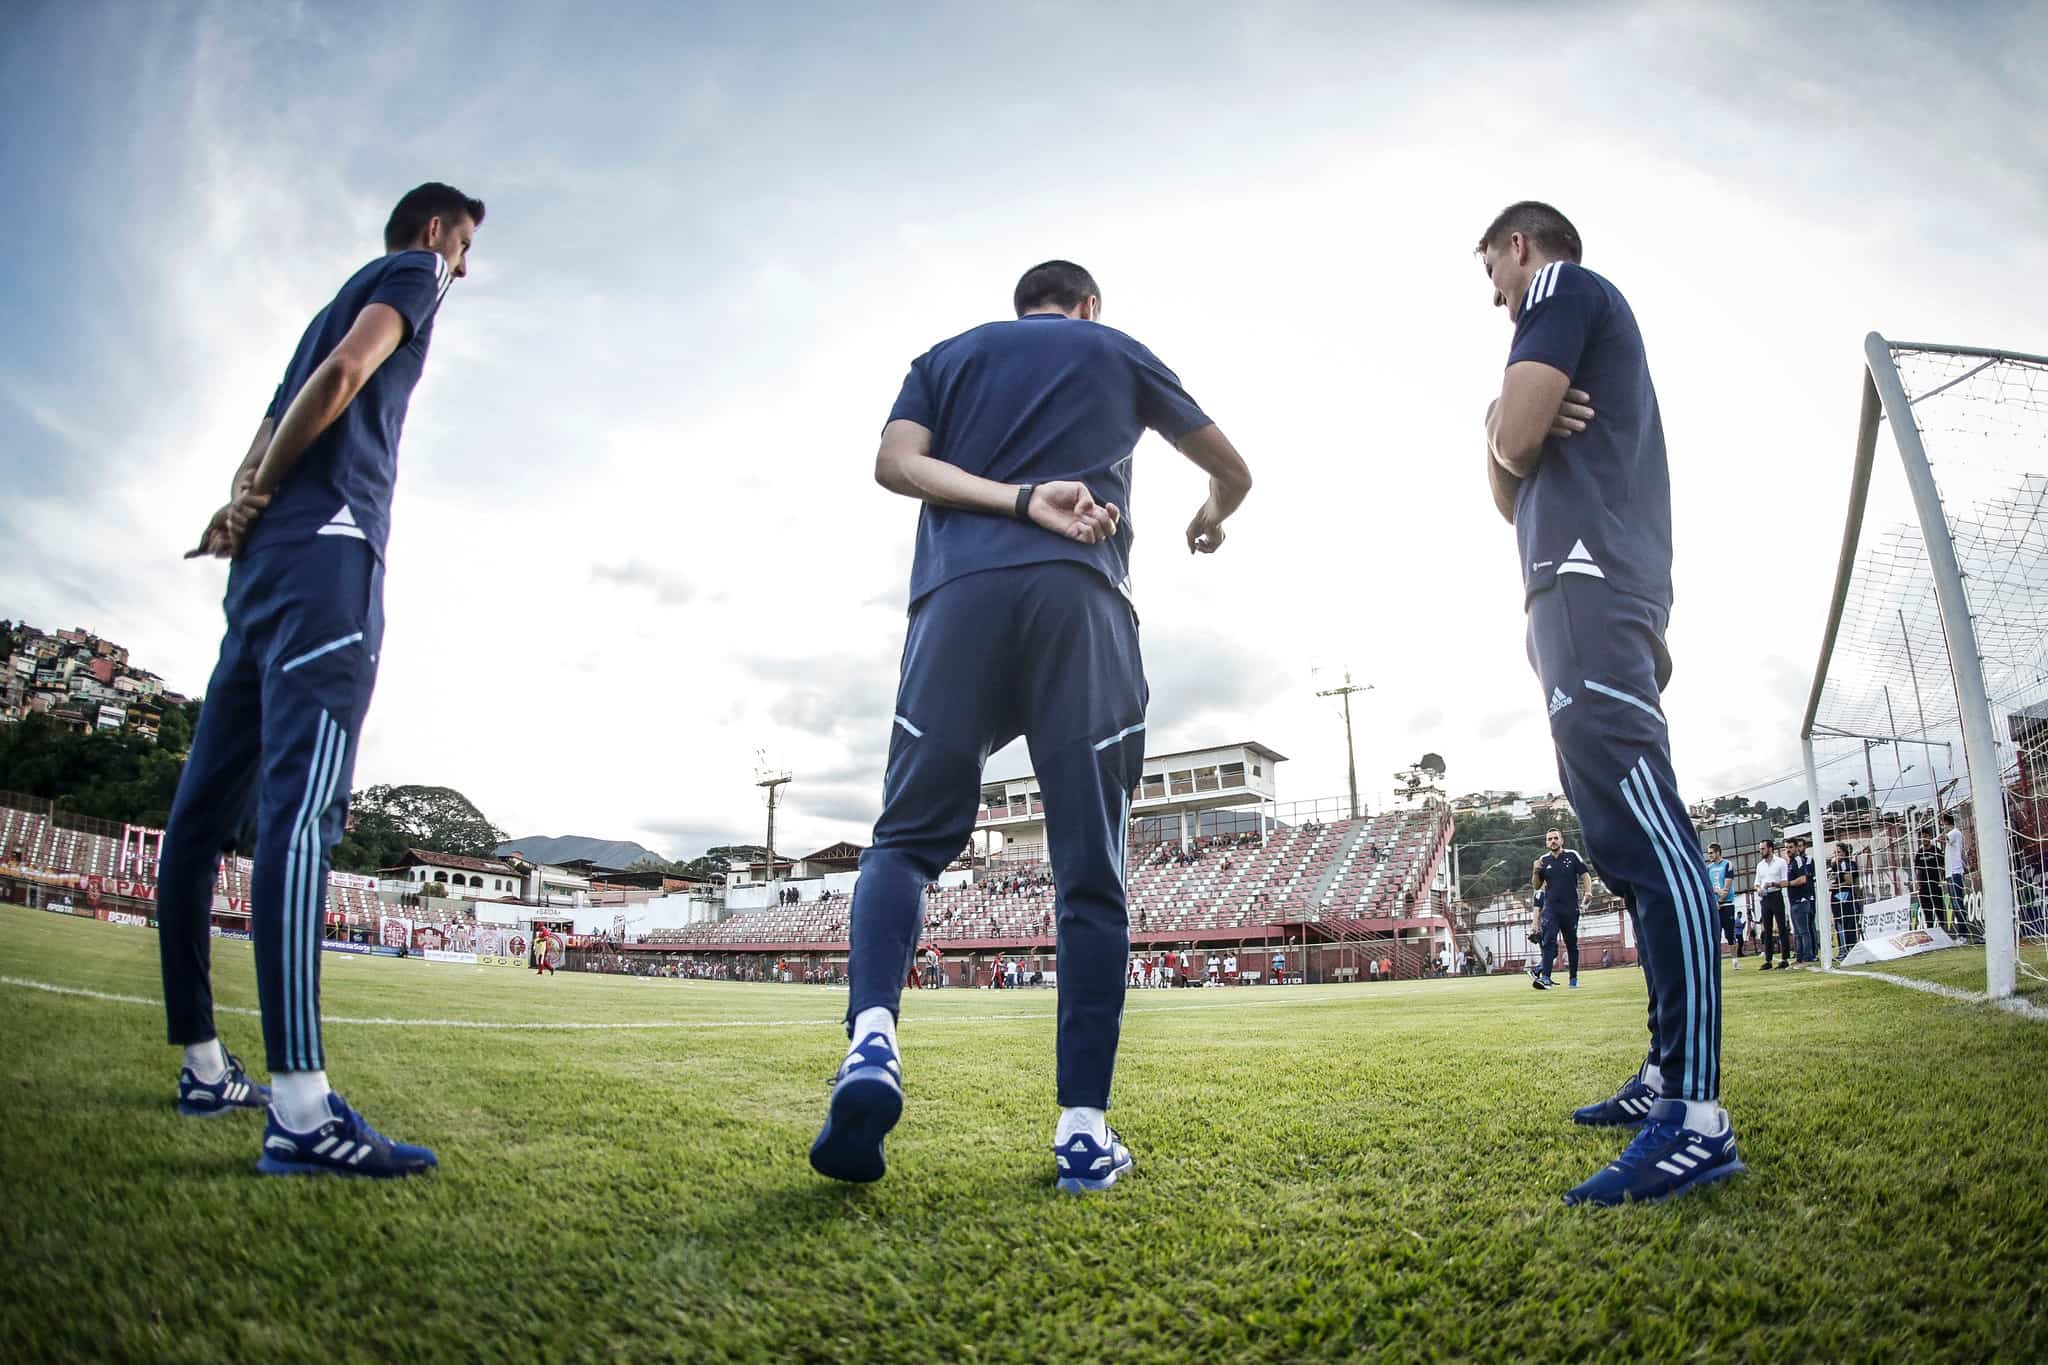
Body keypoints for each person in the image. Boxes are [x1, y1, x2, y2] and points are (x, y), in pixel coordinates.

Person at [811, 260, 1251, 1193]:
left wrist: (1013, 499)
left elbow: (895, 465)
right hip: (1079, 604)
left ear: (1021, 306)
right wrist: (1209, 518)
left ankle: (874, 1039)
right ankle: (1083, 1132)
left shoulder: (946, 357)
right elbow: (1232, 469)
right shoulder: (1115, 349)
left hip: (956, 602)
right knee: (1090, 873)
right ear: (1087, 306)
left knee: (903, 843)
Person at [153, 183, 481, 1178]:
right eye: (465, 247)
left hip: (260, 572)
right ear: (435, 230)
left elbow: (266, 435)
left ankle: (206, 1067)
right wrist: (271, 498)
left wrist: (242, 506)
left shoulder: (322, 304)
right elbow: (348, 374)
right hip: (330, 555)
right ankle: (300, 1109)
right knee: (301, 812)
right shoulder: (410, 273)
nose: (463, 270)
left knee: (200, 821)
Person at [1477, 201, 1740, 1204]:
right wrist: (1498, 430)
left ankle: (1696, 1116)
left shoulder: (1556, 287)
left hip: (1591, 580)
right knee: (1620, 845)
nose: (1495, 301)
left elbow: (1515, 437)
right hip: (1566, 584)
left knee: (1649, 837)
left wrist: (1505, 426)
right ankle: (1666, 1073)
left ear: (1514, 246)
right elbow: (1504, 472)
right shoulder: (1558, 314)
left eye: (1489, 278)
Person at [1531, 827, 1590, 990]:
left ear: (1562, 840)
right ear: (1546, 843)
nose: (1553, 841)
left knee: (1571, 944)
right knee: (1549, 942)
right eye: (1549, 839)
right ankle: (1546, 978)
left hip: (1570, 908)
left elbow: (1585, 875)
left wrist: (1588, 892)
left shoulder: (1572, 856)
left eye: (1555, 838)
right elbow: (1537, 886)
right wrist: (1535, 871)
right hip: (1551, 909)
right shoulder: (1543, 860)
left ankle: (1573, 979)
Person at [1754, 840, 1791, 970]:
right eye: (1760, 849)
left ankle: (1785, 958)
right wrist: (1759, 889)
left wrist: (1773, 884)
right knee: (1767, 929)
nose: (1761, 851)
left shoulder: (1780, 862)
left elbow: (1785, 881)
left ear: (1770, 849)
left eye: (1763, 849)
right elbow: (1757, 882)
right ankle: (1768, 960)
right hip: (1765, 898)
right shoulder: (1760, 865)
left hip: (1776, 895)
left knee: (1781, 927)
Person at [1705, 841, 1741, 968]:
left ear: (1718, 852)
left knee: (1729, 933)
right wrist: (1715, 895)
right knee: (1714, 933)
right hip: (1714, 905)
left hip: (1726, 904)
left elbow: (1726, 888)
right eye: (1708, 853)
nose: (1709, 855)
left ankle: (1735, 960)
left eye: (1711, 853)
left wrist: (1720, 900)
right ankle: (1715, 962)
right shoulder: (1708, 868)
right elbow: (1707, 887)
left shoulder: (1727, 864)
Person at [1785, 837, 1818, 964]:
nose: (1788, 850)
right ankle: (1800, 956)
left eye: (1791, 847)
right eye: (1786, 847)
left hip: (1803, 898)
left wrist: (1787, 883)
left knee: (1806, 928)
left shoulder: (1801, 860)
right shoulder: (1791, 863)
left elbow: (1804, 879)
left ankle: (1809, 955)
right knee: (1798, 931)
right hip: (1794, 900)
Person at [1943, 813, 1973, 942]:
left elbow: (1943, 838)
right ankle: (1961, 934)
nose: (1942, 826)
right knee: (1955, 905)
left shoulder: (1955, 832)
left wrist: (1941, 833)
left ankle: (1963, 935)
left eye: (1942, 824)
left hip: (1955, 873)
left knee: (1958, 903)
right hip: (1950, 874)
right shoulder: (1953, 835)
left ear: (1946, 822)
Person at [1912, 828, 1947, 932]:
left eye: (1926, 836)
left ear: (1929, 836)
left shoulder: (1936, 850)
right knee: (1927, 912)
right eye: (1922, 837)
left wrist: (1941, 880)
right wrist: (1918, 884)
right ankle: (1931, 933)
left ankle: (1944, 932)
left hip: (1935, 884)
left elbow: (1941, 866)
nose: (1924, 839)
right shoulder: (1919, 853)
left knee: (1939, 909)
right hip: (1924, 887)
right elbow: (1918, 870)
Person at [1829, 843, 1861, 956]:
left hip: (1844, 896)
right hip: (1839, 896)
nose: (1835, 855)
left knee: (1845, 923)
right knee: (1840, 922)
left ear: (1845, 853)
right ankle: (1845, 949)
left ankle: (1847, 949)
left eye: (1839, 852)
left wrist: (1835, 886)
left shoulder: (1845, 864)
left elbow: (1849, 882)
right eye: (1835, 852)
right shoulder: (1836, 865)